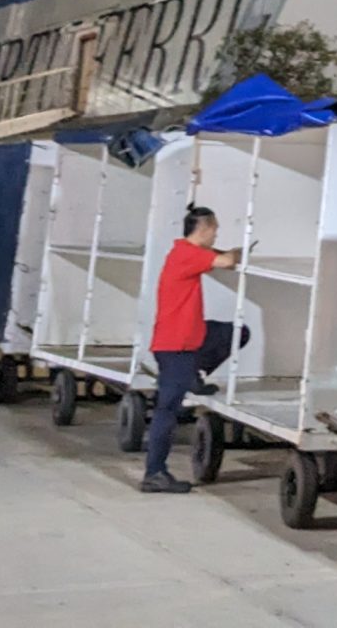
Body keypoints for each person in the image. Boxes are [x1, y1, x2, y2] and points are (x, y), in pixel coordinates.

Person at [139, 205, 240, 493]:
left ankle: (194, 375)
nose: (216, 233)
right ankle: (154, 473)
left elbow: (217, 256)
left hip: (185, 341)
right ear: (204, 229)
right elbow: (226, 261)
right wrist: (238, 251)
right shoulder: (188, 254)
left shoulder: (184, 251)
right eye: (214, 228)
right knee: (167, 410)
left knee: (234, 332)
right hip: (177, 347)